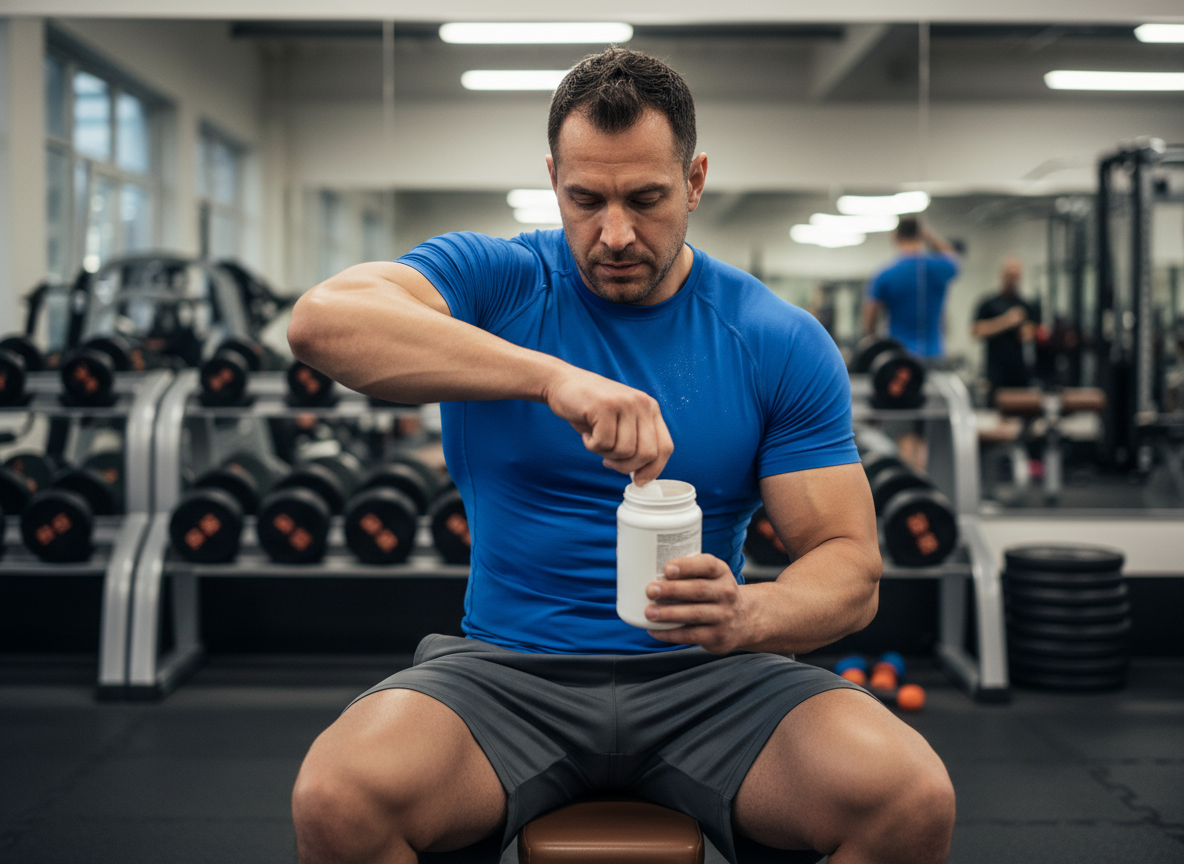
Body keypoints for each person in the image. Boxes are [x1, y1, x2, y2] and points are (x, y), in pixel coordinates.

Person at [288, 47, 955, 864]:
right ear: (553, 181)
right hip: (505, 673)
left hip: (711, 677)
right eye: (585, 199)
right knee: (338, 799)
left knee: (909, 800)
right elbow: (321, 323)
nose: (614, 234)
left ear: (695, 181)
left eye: (646, 199)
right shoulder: (498, 283)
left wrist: (750, 616)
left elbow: (850, 567)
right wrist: (553, 380)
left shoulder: (774, 339)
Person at [861, 216, 960, 360]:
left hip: (899, 354)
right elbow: (952, 257)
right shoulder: (940, 268)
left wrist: (874, 349)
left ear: (895, 237)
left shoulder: (885, 275)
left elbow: (870, 320)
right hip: (933, 354)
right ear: (921, 234)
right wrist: (929, 236)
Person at [972, 257, 1036, 401]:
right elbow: (975, 331)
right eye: (1010, 275)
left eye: (1016, 276)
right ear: (1002, 275)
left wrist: (1026, 333)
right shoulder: (988, 304)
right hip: (996, 371)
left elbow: (1031, 333)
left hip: (1019, 371)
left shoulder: (1026, 305)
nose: (1012, 279)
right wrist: (1006, 321)